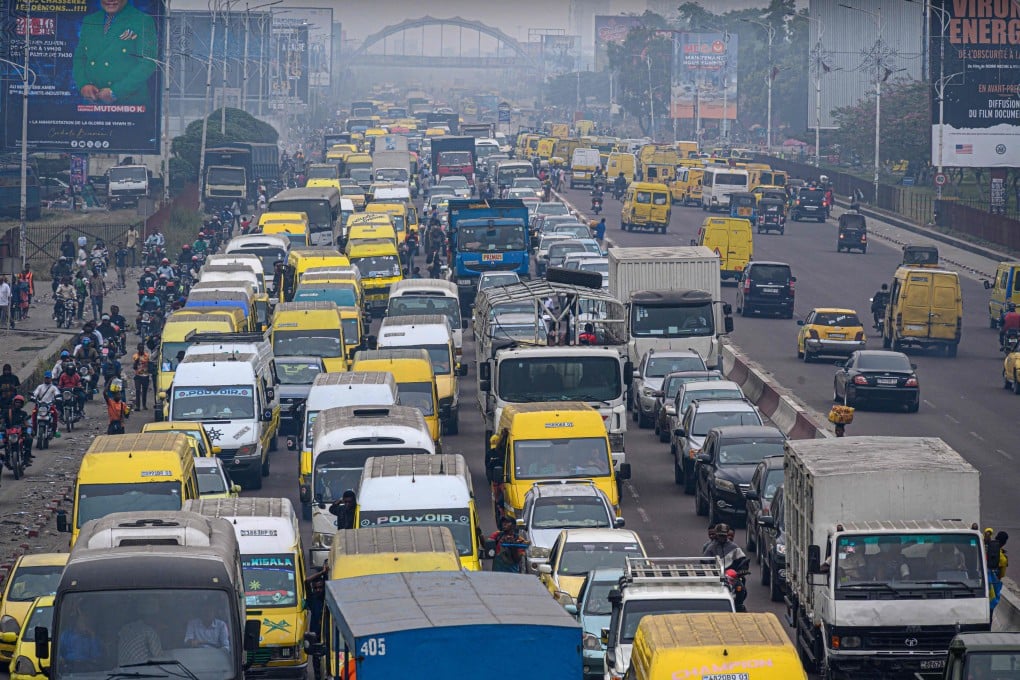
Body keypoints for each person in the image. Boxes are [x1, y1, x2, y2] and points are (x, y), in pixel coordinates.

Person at [72, 0, 158, 107]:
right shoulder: (90, 20)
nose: (110, 1)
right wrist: (83, 84)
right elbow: (80, 57)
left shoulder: (142, 20)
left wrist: (116, 92)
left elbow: (148, 63)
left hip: (130, 103)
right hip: (93, 103)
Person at [117, 598, 163, 666]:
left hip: (122, 672)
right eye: (157, 617)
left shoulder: (124, 629)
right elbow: (159, 659)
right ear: (151, 617)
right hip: (141, 671)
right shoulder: (149, 631)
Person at [57, 605, 103, 670]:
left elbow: (96, 656)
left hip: (87, 668)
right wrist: (61, 660)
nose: (85, 623)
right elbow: (58, 653)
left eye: (86, 621)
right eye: (82, 621)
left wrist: (93, 636)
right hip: (69, 667)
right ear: (76, 621)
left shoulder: (92, 637)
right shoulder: (66, 634)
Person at [132, 343, 150, 410]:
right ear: (138, 349)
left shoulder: (147, 356)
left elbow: (149, 364)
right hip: (138, 376)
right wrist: (136, 361)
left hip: (146, 375)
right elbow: (134, 367)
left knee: (144, 391)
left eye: (142, 348)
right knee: (138, 390)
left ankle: (144, 405)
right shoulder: (135, 356)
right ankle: (138, 406)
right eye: (140, 348)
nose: (141, 349)